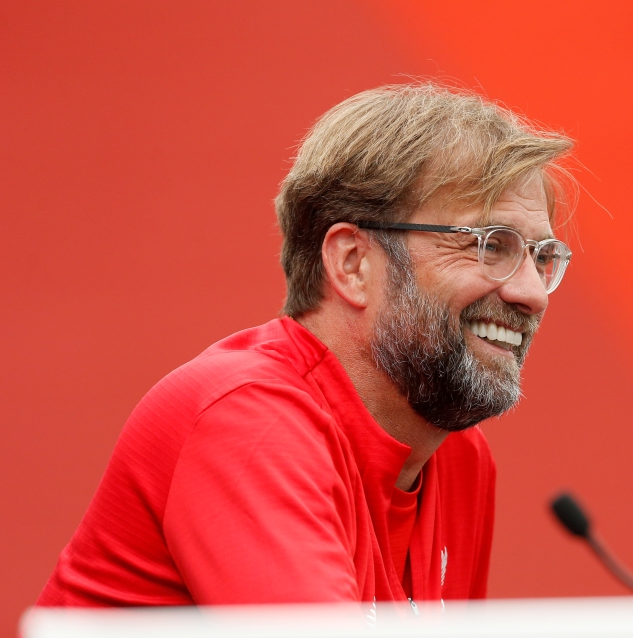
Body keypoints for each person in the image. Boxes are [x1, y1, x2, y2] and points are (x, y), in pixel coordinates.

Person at [36, 84, 575, 607]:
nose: (531, 292)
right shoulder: (247, 418)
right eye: (491, 245)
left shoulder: (458, 457)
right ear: (352, 264)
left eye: (543, 255)